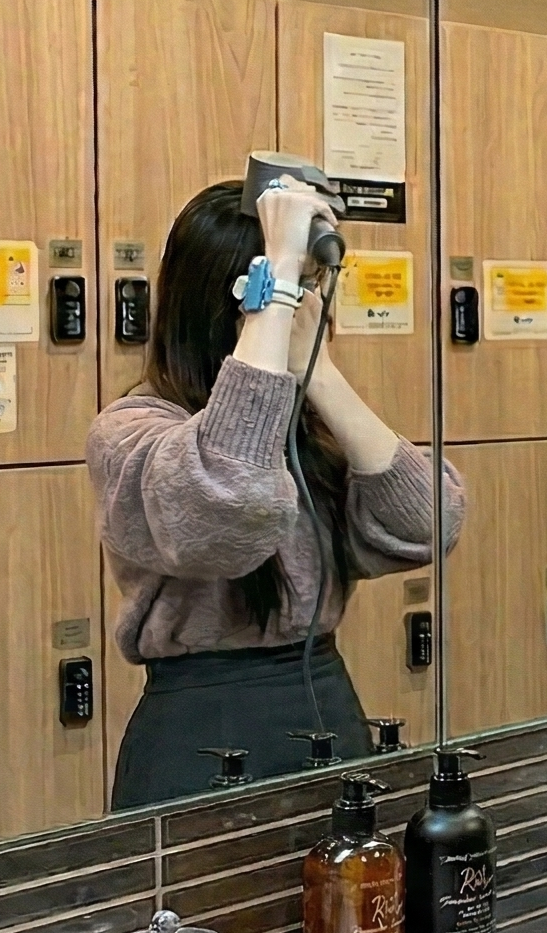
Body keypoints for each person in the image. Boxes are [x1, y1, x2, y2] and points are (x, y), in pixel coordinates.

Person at [90, 175, 463, 809]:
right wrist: (276, 294)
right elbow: (227, 504)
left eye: (310, 289)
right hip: (204, 726)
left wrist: (321, 375)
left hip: (324, 703)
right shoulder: (131, 430)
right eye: (292, 293)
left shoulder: (308, 430)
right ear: (231, 303)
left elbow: (429, 523)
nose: (306, 309)